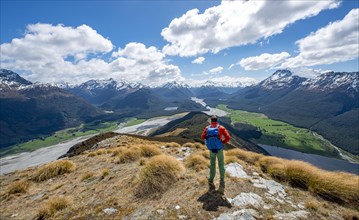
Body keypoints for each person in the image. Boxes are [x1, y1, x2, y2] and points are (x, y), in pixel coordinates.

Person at [201, 115, 230, 194]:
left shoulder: (207, 128)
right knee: (221, 163)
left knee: (212, 164)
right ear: (217, 120)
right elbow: (228, 137)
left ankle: (211, 179)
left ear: (211, 121)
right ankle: (222, 178)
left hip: (211, 150)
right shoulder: (221, 128)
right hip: (219, 149)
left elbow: (202, 136)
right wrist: (222, 142)